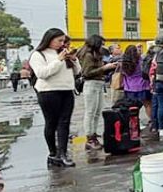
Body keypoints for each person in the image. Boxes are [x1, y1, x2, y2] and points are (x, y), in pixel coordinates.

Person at [29, 29, 82, 168]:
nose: (62, 43)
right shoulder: (38, 54)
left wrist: (74, 60)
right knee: (51, 123)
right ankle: (53, 153)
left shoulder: (63, 53)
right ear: (49, 39)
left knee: (64, 123)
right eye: (59, 40)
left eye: (63, 41)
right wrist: (59, 60)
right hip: (48, 91)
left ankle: (63, 154)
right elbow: (42, 73)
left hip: (67, 90)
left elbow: (77, 72)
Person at [76, 35, 117, 150]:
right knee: (90, 112)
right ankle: (90, 137)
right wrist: (104, 68)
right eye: (101, 44)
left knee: (97, 111)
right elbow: (87, 73)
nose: (102, 46)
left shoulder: (95, 54)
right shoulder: (88, 55)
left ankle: (93, 134)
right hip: (91, 84)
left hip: (98, 83)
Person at [120, 45, 151, 110]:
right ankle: (152, 119)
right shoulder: (140, 61)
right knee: (147, 104)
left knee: (132, 106)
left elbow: (122, 74)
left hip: (129, 88)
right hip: (143, 86)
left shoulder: (124, 63)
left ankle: (134, 119)